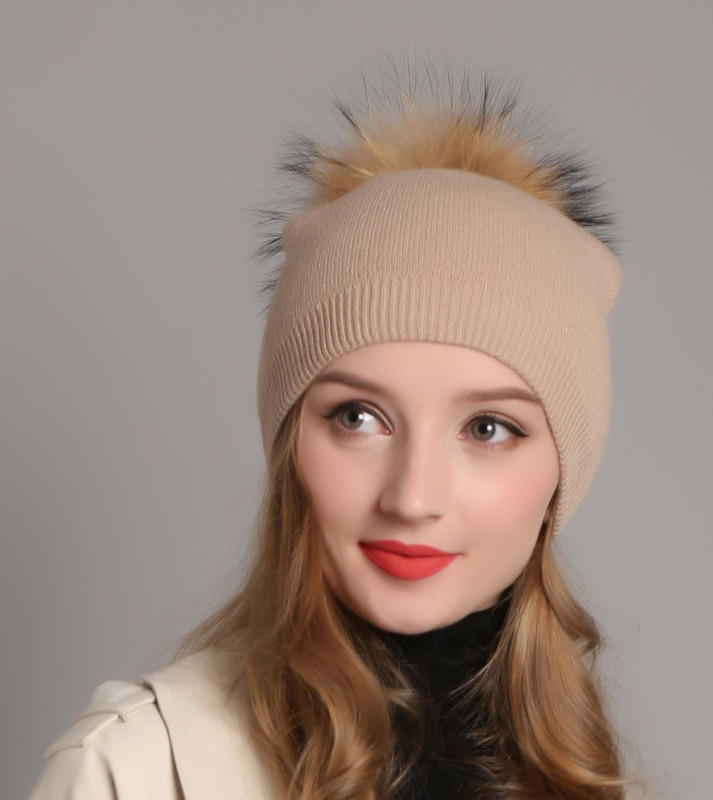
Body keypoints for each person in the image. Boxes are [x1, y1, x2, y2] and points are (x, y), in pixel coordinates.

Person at [29, 70, 629, 799]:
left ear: (564, 470)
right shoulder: (135, 771)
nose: (413, 498)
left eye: (488, 427)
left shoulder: (590, 784)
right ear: (291, 442)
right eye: (359, 418)